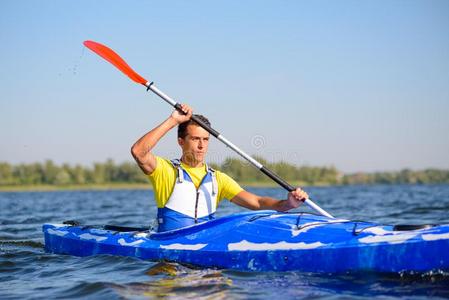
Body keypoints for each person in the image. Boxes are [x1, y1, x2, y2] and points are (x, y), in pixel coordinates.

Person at [131, 104, 308, 232]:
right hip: (171, 254)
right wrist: (173, 120)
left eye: (205, 139)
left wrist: (288, 204)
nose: (201, 146)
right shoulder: (166, 170)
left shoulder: (218, 179)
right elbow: (139, 151)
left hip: (205, 251)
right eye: (195, 139)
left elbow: (258, 203)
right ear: (181, 141)